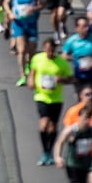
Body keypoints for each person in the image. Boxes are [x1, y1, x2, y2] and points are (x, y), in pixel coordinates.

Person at [28, 38, 73, 166]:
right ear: (44, 49)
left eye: (51, 50)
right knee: (43, 124)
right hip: (41, 96)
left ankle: (50, 150)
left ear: (54, 50)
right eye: (47, 50)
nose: (49, 52)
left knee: (53, 126)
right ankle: (45, 152)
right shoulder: (37, 58)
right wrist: (30, 80)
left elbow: (71, 78)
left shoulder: (62, 63)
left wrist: (61, 80)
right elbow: (33, 71)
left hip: (56, 98)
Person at [53, 104, 92, 183]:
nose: (87, 120)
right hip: (73, 163)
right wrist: (57, 157)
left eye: (89, 118)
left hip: (85, 163)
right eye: (85, 117)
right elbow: (59, 142)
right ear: (79, 117)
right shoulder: (71, 130)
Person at [4, 0, 43, 85]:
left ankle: (29, 68)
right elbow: (5, 3)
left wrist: (34, 8)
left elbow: (43, 3)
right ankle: (22, 76)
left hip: (31, 23)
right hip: (19, 23)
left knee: (31, 50)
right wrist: (10, 13)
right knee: (21, 50)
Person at [62, 16, 92, 99]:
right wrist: (73, 58)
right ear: (77, 28)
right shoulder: (72, 40)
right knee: (82, 101)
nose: (86, 29)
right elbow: (63, 55)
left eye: (87, 26)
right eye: (83, 26)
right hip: (80, 76)